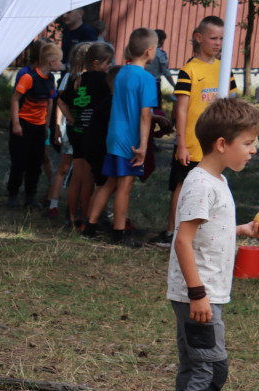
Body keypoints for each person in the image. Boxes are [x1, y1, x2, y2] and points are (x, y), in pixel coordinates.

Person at [164, 98, 259, 391]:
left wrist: (246, 230)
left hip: (210, 294)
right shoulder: (199, 185)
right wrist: (197, 294)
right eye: (248, 143)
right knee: (202, 368)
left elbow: (213, 228)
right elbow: (182, 241)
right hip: (198, 296)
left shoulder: (218, 180)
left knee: (213, 367)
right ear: (222, 144)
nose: (254, 149)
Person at [150, 16, 236, 248]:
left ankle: (201, 232)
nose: (218, 43)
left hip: (217, 144)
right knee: (183, 186)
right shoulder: (189, 70)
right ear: (199, 38)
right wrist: (182, 144)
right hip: (192, 143)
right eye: (213, 38)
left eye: (222, 38)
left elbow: (233, 101)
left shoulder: (224, 67)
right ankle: (172, 232)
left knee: (212, 186)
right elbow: (182, 109)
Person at [82, 28, 158, 247]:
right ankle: (119, 233)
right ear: (149, 51)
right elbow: (144, 115)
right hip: (131, 142)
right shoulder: (146, 79)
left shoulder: (121, 72)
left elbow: (127, 106)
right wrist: (143, 145)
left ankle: (90, 225)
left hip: (114, 137)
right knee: (125, 187)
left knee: (109, 183)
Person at [61, 41, 114, 231]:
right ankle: (85, 218)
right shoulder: (104, 81)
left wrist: (70, 119)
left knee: (77, 176)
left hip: (76, 133)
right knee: (89, 179)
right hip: (93, 135)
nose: (109, 67)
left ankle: (73, 217)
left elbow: (60, 100)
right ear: (96, 63)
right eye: (107, 63)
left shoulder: (77, 79)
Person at [7, 43, 63, 210]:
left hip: (39, 126)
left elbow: (49, 101)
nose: (62, 64)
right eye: (59, 61)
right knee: (19, 161)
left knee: (36, 162)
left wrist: (46, 125)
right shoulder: (29, 78)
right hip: (24, 124)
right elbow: (15, 99)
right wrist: (16, 123)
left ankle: (30, 196)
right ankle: (13, 195)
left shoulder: (51, 79)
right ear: (51, 61)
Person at [48, 41, 93, 221]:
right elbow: (61, 103)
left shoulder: (92, 79)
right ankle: (53, 203)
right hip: (71, 129)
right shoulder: (69, 78)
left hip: (82, 129)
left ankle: (78, 206)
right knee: (64, 167)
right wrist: (58, 127)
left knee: (79, 169)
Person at [145, 29, 176, 105]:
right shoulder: (160, 54)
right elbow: (166, 72)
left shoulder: (144, 51)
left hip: (143, 82)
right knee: (155, 108)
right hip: (154, 84)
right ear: (161, 40)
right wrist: (174, 85)